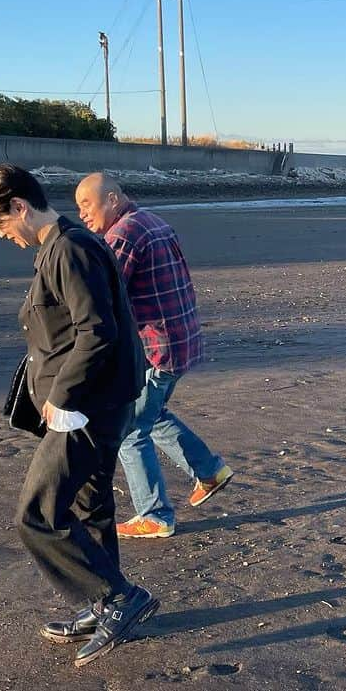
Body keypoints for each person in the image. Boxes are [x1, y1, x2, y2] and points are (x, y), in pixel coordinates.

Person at [0, 164, 157, 667]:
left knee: (37, 514)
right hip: (93, 402)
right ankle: (103, 604)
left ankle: (120, 598)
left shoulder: (69, 249)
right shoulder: (61, 245)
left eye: (1, 225)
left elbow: (98, 331)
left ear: (19, 207)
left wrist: (63, 396)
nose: (4, 236)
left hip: (85, 408)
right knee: (91, 509)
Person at [75, 172, 233, 539]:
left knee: (130, 429)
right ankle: (208, 470)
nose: (82, 213)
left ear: (112, 199)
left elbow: (103, 298)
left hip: (157, 349)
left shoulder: (123, 235)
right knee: (152, 414)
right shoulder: (153, 220)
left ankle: (155, 514)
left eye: (87, 203)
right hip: (181, 340)